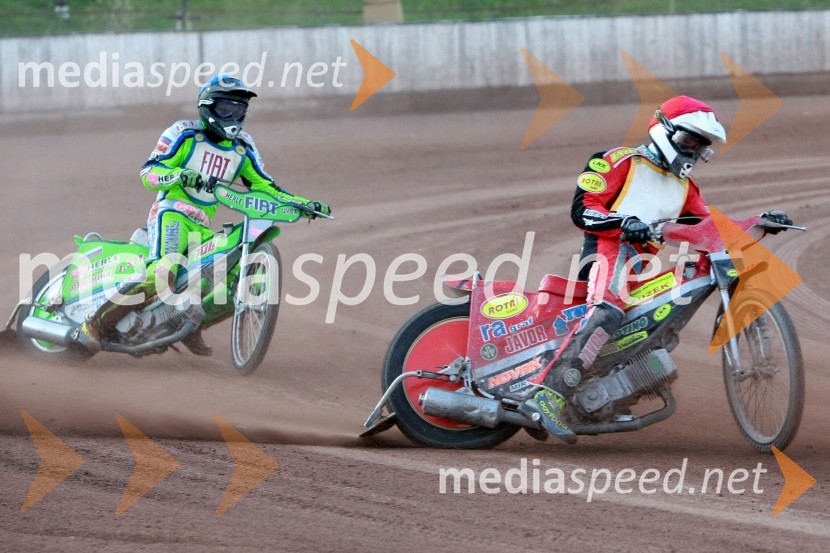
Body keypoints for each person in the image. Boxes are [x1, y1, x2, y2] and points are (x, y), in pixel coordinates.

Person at [521, 95, 792, 443]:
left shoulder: (685, 188)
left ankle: (595, 391)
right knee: (608, 310)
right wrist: (624, 222)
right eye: (689, 141)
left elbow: (711, 230)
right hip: (608, 249)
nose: (693, 151)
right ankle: (545, 395)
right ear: (664, 129)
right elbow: (583, 209)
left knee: (647, 327)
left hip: (639, 265)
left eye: (701, 146)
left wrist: (762, 221)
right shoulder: (617, 160)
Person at [77, 74, 331, 354]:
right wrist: (183, 176)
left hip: (202, 226)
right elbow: (149, 173)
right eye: (226, 109)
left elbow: (266, 187)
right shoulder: (184, 133)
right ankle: (95, 324)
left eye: (239, 110)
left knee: (230, 281)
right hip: (171, 214)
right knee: (163, 273)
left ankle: (187, 323)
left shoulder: (242, 147)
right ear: (207, 107)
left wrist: (304, 204)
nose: (233, 116)